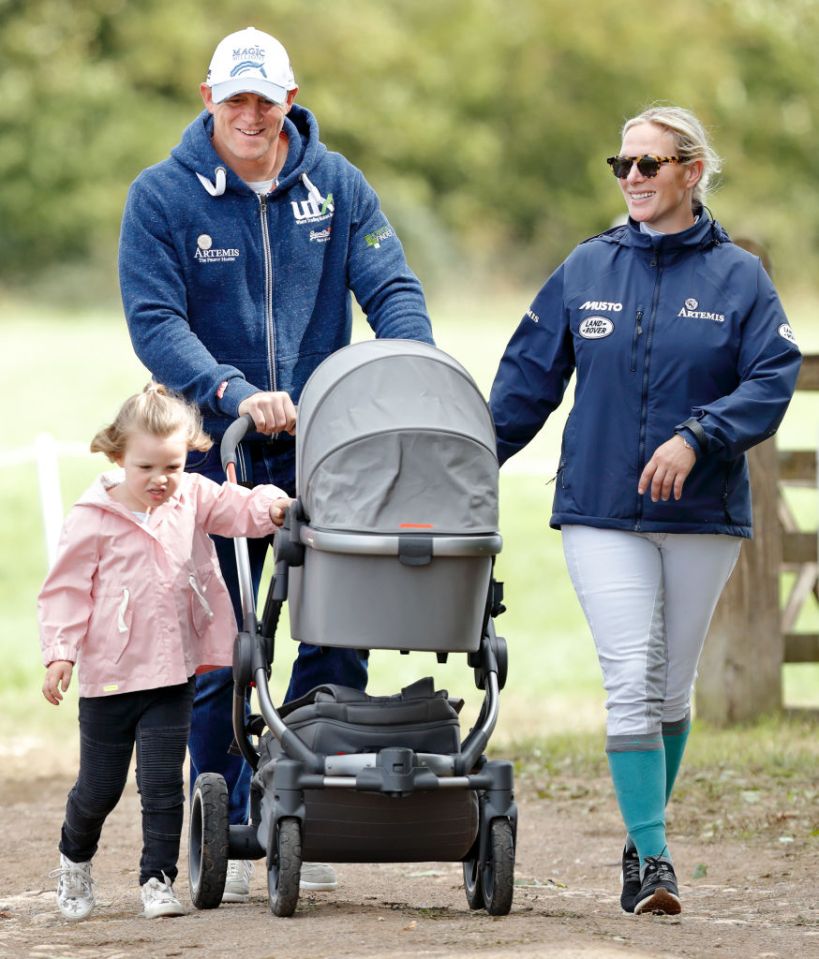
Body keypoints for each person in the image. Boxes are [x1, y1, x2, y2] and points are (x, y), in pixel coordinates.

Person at [118, 26, 434, 898]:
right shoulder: (162, 197)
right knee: (222, 643)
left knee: (337, 627)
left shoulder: (335, 187)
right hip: (214, 450)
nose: (250, 116)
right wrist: (228, 388)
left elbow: (392, 289)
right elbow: (154, 319)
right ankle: (220, 813)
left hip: (326, 449)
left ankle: (305, 804)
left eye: (266, 100)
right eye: (235, 101)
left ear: (290, 99)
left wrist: (413, 370)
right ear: (208, 99)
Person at [489, 105, 802, 916]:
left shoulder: (739, 278)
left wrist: (699, 437)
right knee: (630, 676)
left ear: (689, 173)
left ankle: (641, 832)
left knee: (669, 688)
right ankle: (653, 863)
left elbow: (770, 381)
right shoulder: (585, 267)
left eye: (648, 164)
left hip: (702, 514)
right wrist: (463, 462)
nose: (630, 177)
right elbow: (523, 386)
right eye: (620, 164)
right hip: (598, 508)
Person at [39, 385, 290, 921]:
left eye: (173, 465)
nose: (161, 479)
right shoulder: (93, 517)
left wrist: (272, 506)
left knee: (162, 787)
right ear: (117, 457)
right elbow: (65, 590)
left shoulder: (190, 495)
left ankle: (157, 881)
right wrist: (60, 652)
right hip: (109, 680)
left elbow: (234, 505)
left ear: (188, 456)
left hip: (172, 673)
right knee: (99, 789)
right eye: (146, 466)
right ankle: (74, 860)